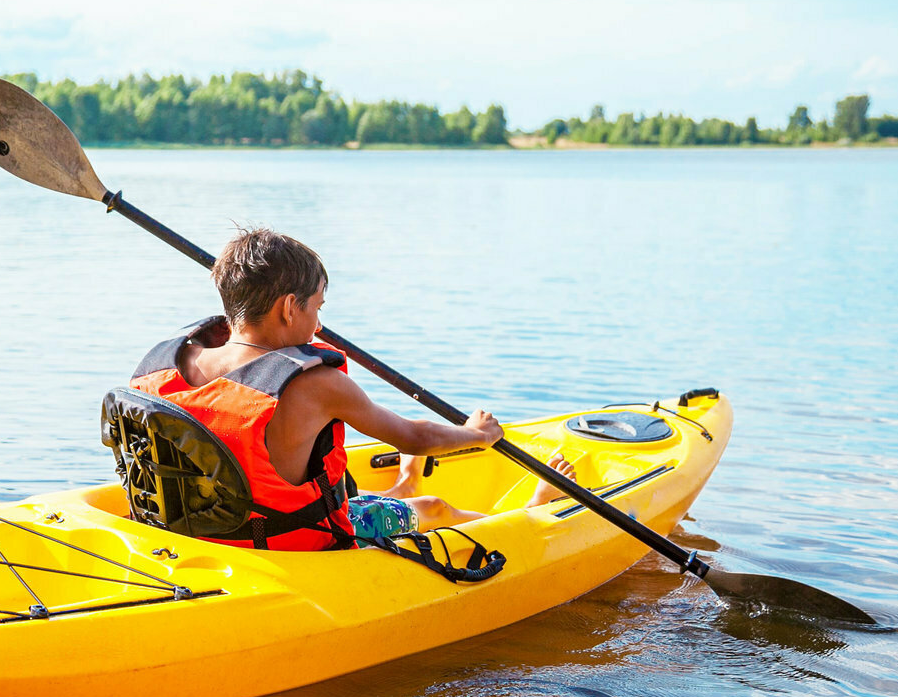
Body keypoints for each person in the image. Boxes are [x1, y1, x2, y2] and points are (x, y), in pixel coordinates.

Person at [128, 226, 577, 551]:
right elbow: (415, 436)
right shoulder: (316, 385)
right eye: (316, 308)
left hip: (203, 531)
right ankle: (534, 514)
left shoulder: (172, 363)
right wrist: (479, 434)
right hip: (287, 542)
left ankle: (403, 480)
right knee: (435, 507)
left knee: (357, 498)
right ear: (288, 308)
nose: (318, 325)